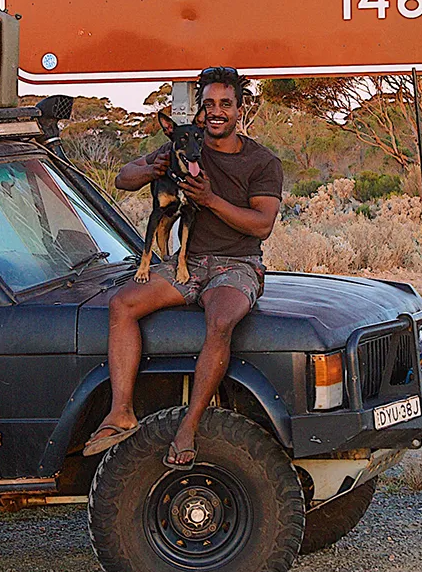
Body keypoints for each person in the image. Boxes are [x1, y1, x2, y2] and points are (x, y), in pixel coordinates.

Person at [83, 67, 283, 467]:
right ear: (199, 110)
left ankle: (188, 427)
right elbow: (124, 179)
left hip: (237, 264)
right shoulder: (185, 144)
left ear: (241, 109)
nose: (216, 112)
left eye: (225, 104)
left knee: (221, 320)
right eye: (208, 104)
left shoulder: (262, 161)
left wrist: (210, 200)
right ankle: (120, 413)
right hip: (186, 265)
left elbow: (261, 225)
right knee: (122, 305)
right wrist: (151, 170)